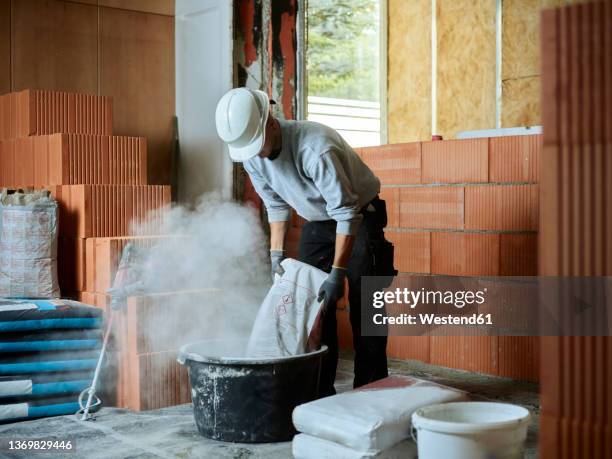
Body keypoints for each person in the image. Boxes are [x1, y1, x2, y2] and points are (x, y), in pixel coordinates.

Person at [215, 87, 394, 396]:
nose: (256, 153)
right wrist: (276, 255)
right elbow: (276, 205)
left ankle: (372, 389)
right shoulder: (251, 155)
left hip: (360, 215)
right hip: (320, 221)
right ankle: (320, 388)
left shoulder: (315, 148)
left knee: (367, 302)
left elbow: (347, 212)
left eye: (257, 144)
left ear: (270, 121)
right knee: (312, 302)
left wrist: (337, 272)